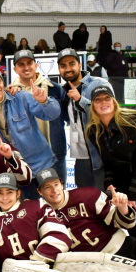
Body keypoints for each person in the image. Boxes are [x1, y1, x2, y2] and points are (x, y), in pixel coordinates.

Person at [85, 86, 136, 240]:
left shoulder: (133, 123)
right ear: (93, 106)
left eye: (107, 98)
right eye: (98, 99)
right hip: (127, 182)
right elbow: (108, 163)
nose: (103, 102)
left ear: (114, 101)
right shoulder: (94, 131)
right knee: (118, 220)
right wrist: (110, 186)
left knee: (132, 220)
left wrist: (132, 196)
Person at [0, 66, 60, 200]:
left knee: (54, 205)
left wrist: (43, 100)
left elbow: (53, 114)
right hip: (17, 172)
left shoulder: (21, 97)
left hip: (42, 164)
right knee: (27, 213)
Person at [0, 173, 72, 272]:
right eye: (0, 193)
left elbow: (61, 237)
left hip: (43, 271)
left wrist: (33, 264)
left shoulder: (36, 207)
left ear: (18, 193)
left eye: (9, 192)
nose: (5, 198)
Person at [5, 50, 67, 186]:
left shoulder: (55, 89)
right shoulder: (10, 93)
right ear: (15, 69)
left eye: (29, 63)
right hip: (27, 158)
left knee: (58, 197)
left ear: (36, 65)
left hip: (56, 153)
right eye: (21, 64)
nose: (26, 67)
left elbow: (66, 117)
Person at [57, 48, 112, 191]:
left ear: (80, 65)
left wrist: (81, 100)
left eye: (71, 64)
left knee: (105, 205)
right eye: (63, 66)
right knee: (85, 206)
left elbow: (110, 114)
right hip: (80, 159)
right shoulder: (64, 92)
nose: (68, 69)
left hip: (100, 158)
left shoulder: (98, 84)